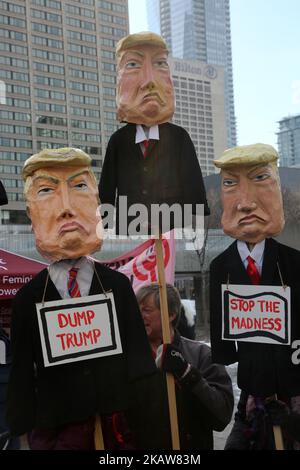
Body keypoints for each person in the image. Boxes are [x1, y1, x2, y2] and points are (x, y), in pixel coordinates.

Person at [6, 147, 156, 450]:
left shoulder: (118, 287)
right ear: (32, 216)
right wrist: (22, 431)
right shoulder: (27, 300)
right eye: (47, 191)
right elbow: (21, 374)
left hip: (116, 434)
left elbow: (139, 363)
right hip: (57, 434)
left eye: (79, 187)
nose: (66, 208)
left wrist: (151, 431)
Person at [209, 143, 300, 449]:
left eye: (260, 178)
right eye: (231, 183)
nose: (246, 203)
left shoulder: (294, 264)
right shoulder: (220, 267)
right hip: (251, 398)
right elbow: (223, 346)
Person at [99, 32, 209, 236]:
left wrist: (196, 223)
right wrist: (105, 225)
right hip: (131, 227)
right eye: (133, 65)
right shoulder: (119, 141)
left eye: (160, 63)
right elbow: (107, 186)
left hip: (172, 227)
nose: (149, 81)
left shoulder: (179, 138)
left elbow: (191, 179)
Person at [134, 283, 234, 449]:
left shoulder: (202, 354)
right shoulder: (129, 359)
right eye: (137, 309)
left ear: (171, 314)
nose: (139, 315)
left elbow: (222, 416)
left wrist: (187, 374)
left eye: (146, 310)